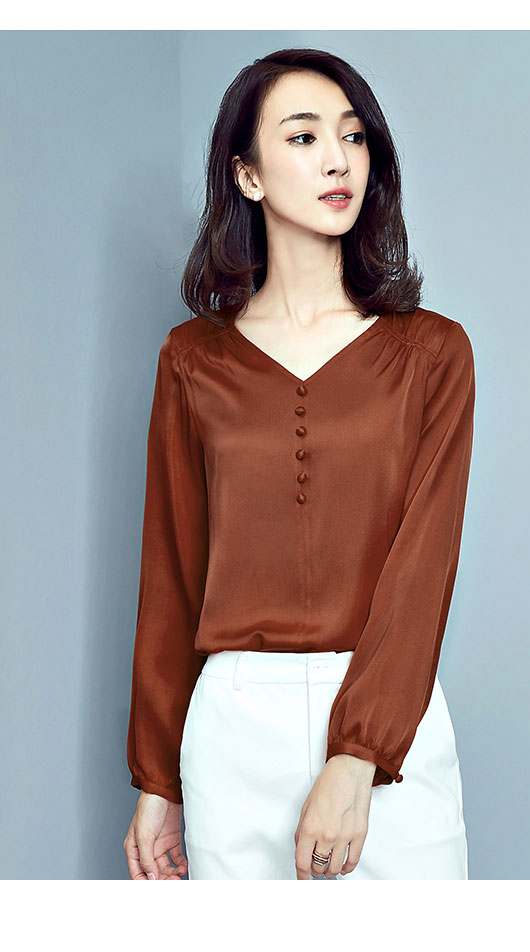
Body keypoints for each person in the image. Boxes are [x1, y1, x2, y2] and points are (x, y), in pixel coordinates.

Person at [123, 48, 475, 881]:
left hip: (390, 725)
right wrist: (158, 781)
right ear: (247, 175)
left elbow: (423, 568)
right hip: (233, 732)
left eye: (353, 137)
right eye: (304, 136)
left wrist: (357, 757)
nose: (337, 159)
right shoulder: (192, 362)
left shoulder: (432, 354)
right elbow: (172, 572)